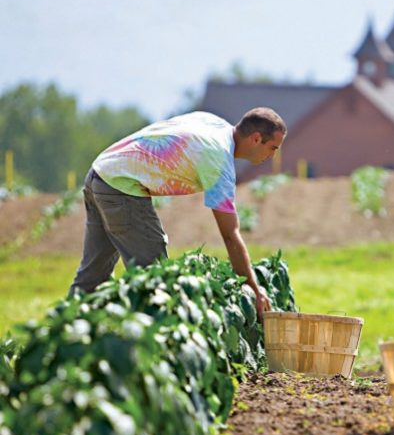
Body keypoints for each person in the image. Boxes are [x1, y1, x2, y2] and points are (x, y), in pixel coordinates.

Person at [69, 107, 286, 317]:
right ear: (256, 139)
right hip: (120, 186)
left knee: (92, 275)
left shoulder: (213, 123)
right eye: (273, 148)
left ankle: (63, 334)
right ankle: (147, 345)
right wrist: (254, 289)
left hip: (100, 172)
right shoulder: (218, 160)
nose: (273, 155)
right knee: (156, 279)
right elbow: (230, 234)